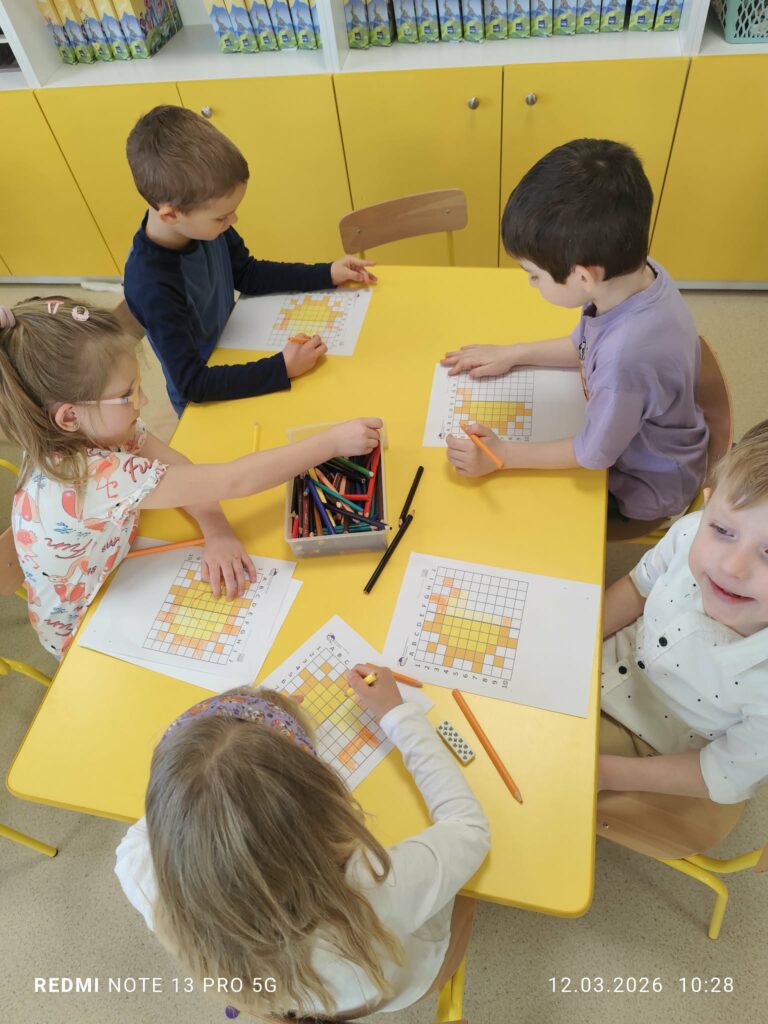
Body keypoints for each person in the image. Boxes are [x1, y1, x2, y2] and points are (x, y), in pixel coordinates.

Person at [0, 297, 381, 659]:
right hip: (85, 628)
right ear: (69, 416)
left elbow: (179, 469)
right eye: (127, 394)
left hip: (117, 568)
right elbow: (234, 480)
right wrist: (329, 443)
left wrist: (216, 528)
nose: (144, 402)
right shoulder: (87, 477)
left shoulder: (79, 430)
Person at [114, 668, 490, 1020]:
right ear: (321, 801)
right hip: (401, 983)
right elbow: (469, 828)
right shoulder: (372, 887)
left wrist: (194, 794)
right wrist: (398, 715)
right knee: (472, 891)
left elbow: (140, 838)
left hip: (301, 1002)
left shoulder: (146, 881)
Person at [442, 138, 708, 523]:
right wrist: (513, 353)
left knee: (522, 513)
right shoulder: (634, 272)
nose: (530, 283)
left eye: (534, 275)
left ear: (583, 276)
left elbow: (593, 453)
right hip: (642, 435)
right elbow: (586, 346)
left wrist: (502, 455)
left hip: (644, 483)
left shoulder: (625, 360)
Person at [124, 105, 376, 415]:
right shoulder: (151, 284)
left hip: (236, 347)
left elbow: (248, 274)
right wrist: (282, 367)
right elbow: (193, 384)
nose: (233, 221)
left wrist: (327, 273)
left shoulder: (201, 225)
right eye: (222, 216)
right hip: (208, 400)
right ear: (171, 215)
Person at [598, 420, 768, 810]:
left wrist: (604, 773)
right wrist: (580, 638)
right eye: (722, 530)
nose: (731, 567)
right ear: (709, 502)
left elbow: (720, 773)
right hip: (615, 656)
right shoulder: (691, 532)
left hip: (656, 747)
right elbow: (639, 586)